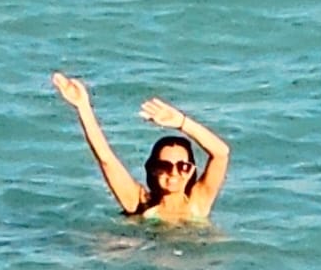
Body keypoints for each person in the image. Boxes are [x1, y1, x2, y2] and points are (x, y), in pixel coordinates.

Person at [51, 71, 229, 223]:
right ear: (153, 170)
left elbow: (221, 153)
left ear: (190, 171)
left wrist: (182, 122)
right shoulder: (138, 203)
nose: (174, 173)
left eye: (182, 166)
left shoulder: (198, 202)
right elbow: (106, 159)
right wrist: (83, 107)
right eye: (164, 166)